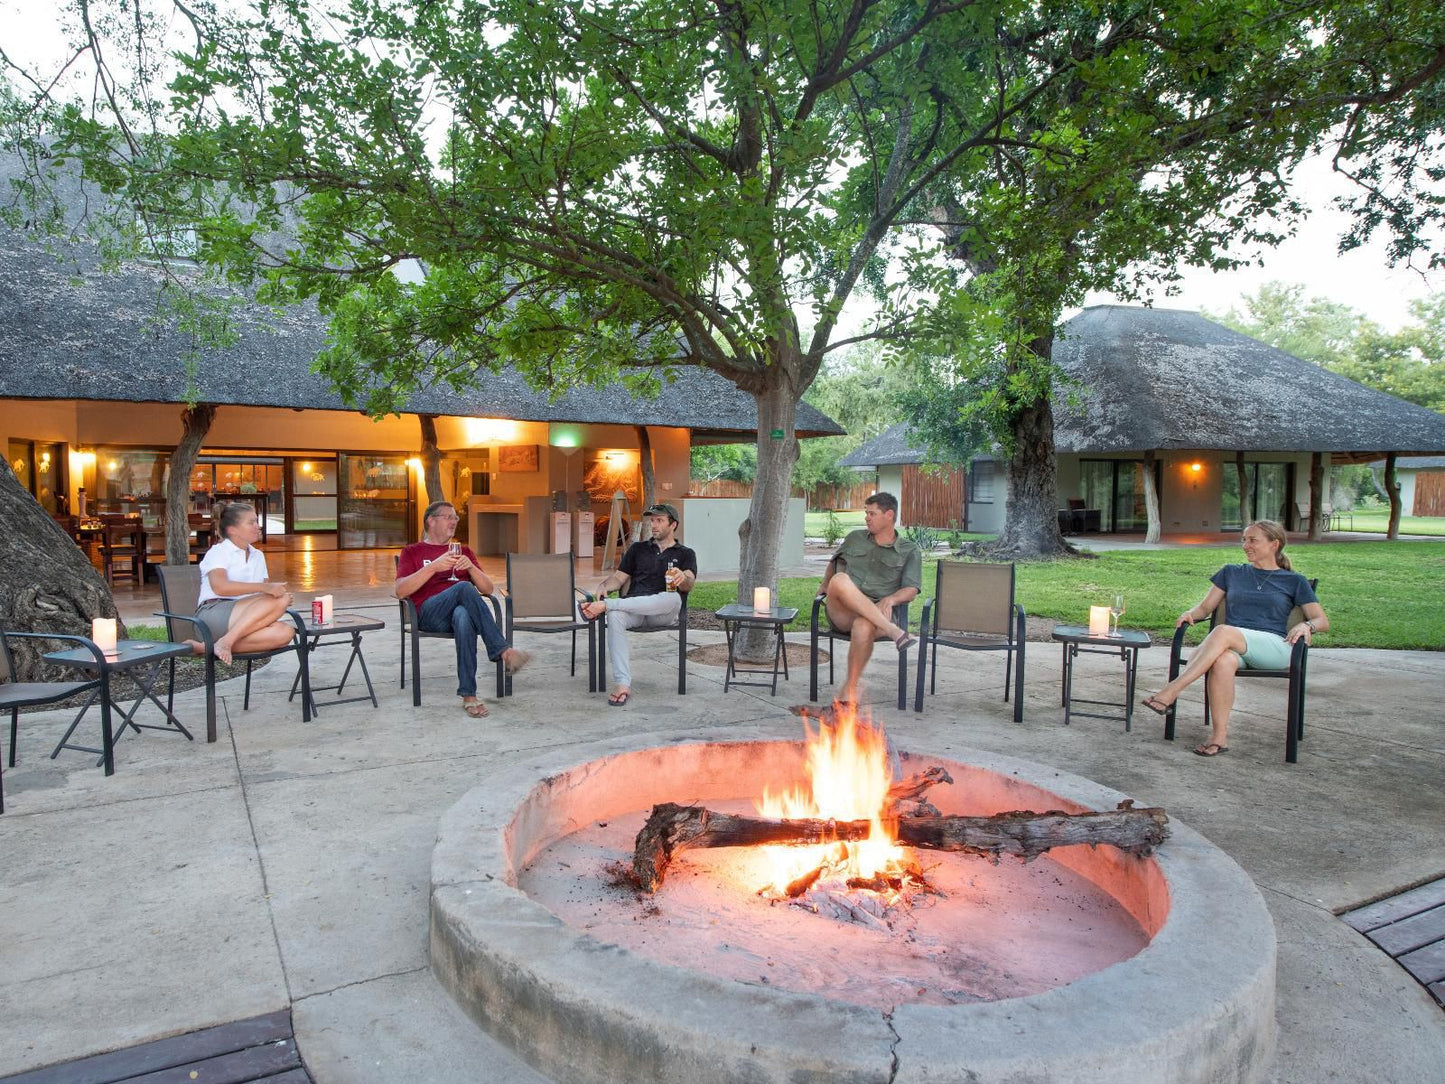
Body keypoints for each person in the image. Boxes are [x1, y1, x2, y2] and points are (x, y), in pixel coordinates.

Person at [1142, 519, 1329, 757]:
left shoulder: (1294, 580)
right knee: (1222, 661)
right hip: (1234, 647)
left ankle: (1171, 691)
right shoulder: (1231, 572)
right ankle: (1219, 737)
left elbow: (1322, 621)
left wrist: (1306, 626)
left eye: (1253, 540)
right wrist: (1190, 614)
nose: (1245, 545)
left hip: (1273, 647)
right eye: (1244, 540)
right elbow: (1204, 609)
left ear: (1274, 544)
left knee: (1221, 631)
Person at [395, 500, 530, 719]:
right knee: (464, 587)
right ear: (431, 520)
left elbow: (488, 589)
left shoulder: (464, 551)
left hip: (456, 615)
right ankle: (504, 651)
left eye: (456, 517)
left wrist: (471, 568)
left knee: (464, 616)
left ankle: (469, 696)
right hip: (429, 614)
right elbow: (401, 591)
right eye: (449, 517)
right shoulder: (412, 551)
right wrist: (433, 567)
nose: (454, 521)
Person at [580, 503, 697, 706]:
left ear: (673, 525)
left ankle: (608, 606)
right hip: (634, 610)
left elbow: (688, 584)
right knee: (616, 616)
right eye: (652, 520)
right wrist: (604, 585)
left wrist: (682, 578)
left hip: (662, 612)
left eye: (659, 520)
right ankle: (622, 683)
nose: (653, 525)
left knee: (674, 598)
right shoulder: (637, 549)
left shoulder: (686, 553)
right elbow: (618, 578)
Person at [819, 491, 920, 702]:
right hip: (844, 612)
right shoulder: (854, 538)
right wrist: (823, 586)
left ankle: (849, 689)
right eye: (866, 513)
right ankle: (896, 632)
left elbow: (911, 589)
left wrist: (890, 600)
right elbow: (834, 563)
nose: (867, 518)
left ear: (889, 515)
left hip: (877, 615)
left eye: (872, 514)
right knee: (839, 580)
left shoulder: (909, 550)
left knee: (864, 625)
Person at [193, 502, 296, 665]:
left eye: (257, 521)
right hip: (212, 614)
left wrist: (271, 591)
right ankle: (225, 641)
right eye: (251, 522)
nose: (258, 526)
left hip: (243, 618)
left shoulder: (257, 555)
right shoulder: (219, 552)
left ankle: (210, 646)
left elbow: (264, 597)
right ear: (232, 530)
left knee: (285, 632)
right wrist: (266, 588)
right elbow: (220, 587)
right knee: (280, 599)